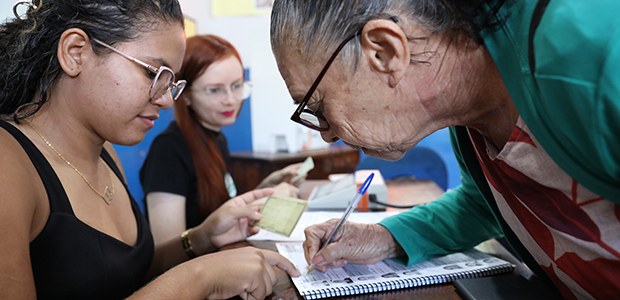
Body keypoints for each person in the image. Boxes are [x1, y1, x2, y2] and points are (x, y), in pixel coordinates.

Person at [269, 0, 619, 298]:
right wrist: (386, 237)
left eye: (316, 107)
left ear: (384, 50)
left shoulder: (594, 54)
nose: (327, 136)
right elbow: (489, 204)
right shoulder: (467, 118)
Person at [0, 1, 299, 299]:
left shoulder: (106, 153)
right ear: (75, 52)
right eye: (152, 73)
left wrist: (200, 238)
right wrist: (202, 276)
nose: (167, 100)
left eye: (171, 82)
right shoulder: (9, 162)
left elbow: (128, 275)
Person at [140, 34, 305, 246]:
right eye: (215, 90)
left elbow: (220, 210)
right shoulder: (168, 150)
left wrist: (267, 186)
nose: (230, 100)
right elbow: (167, 248)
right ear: (186, 95)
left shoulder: (216, 139)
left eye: (236, 86)